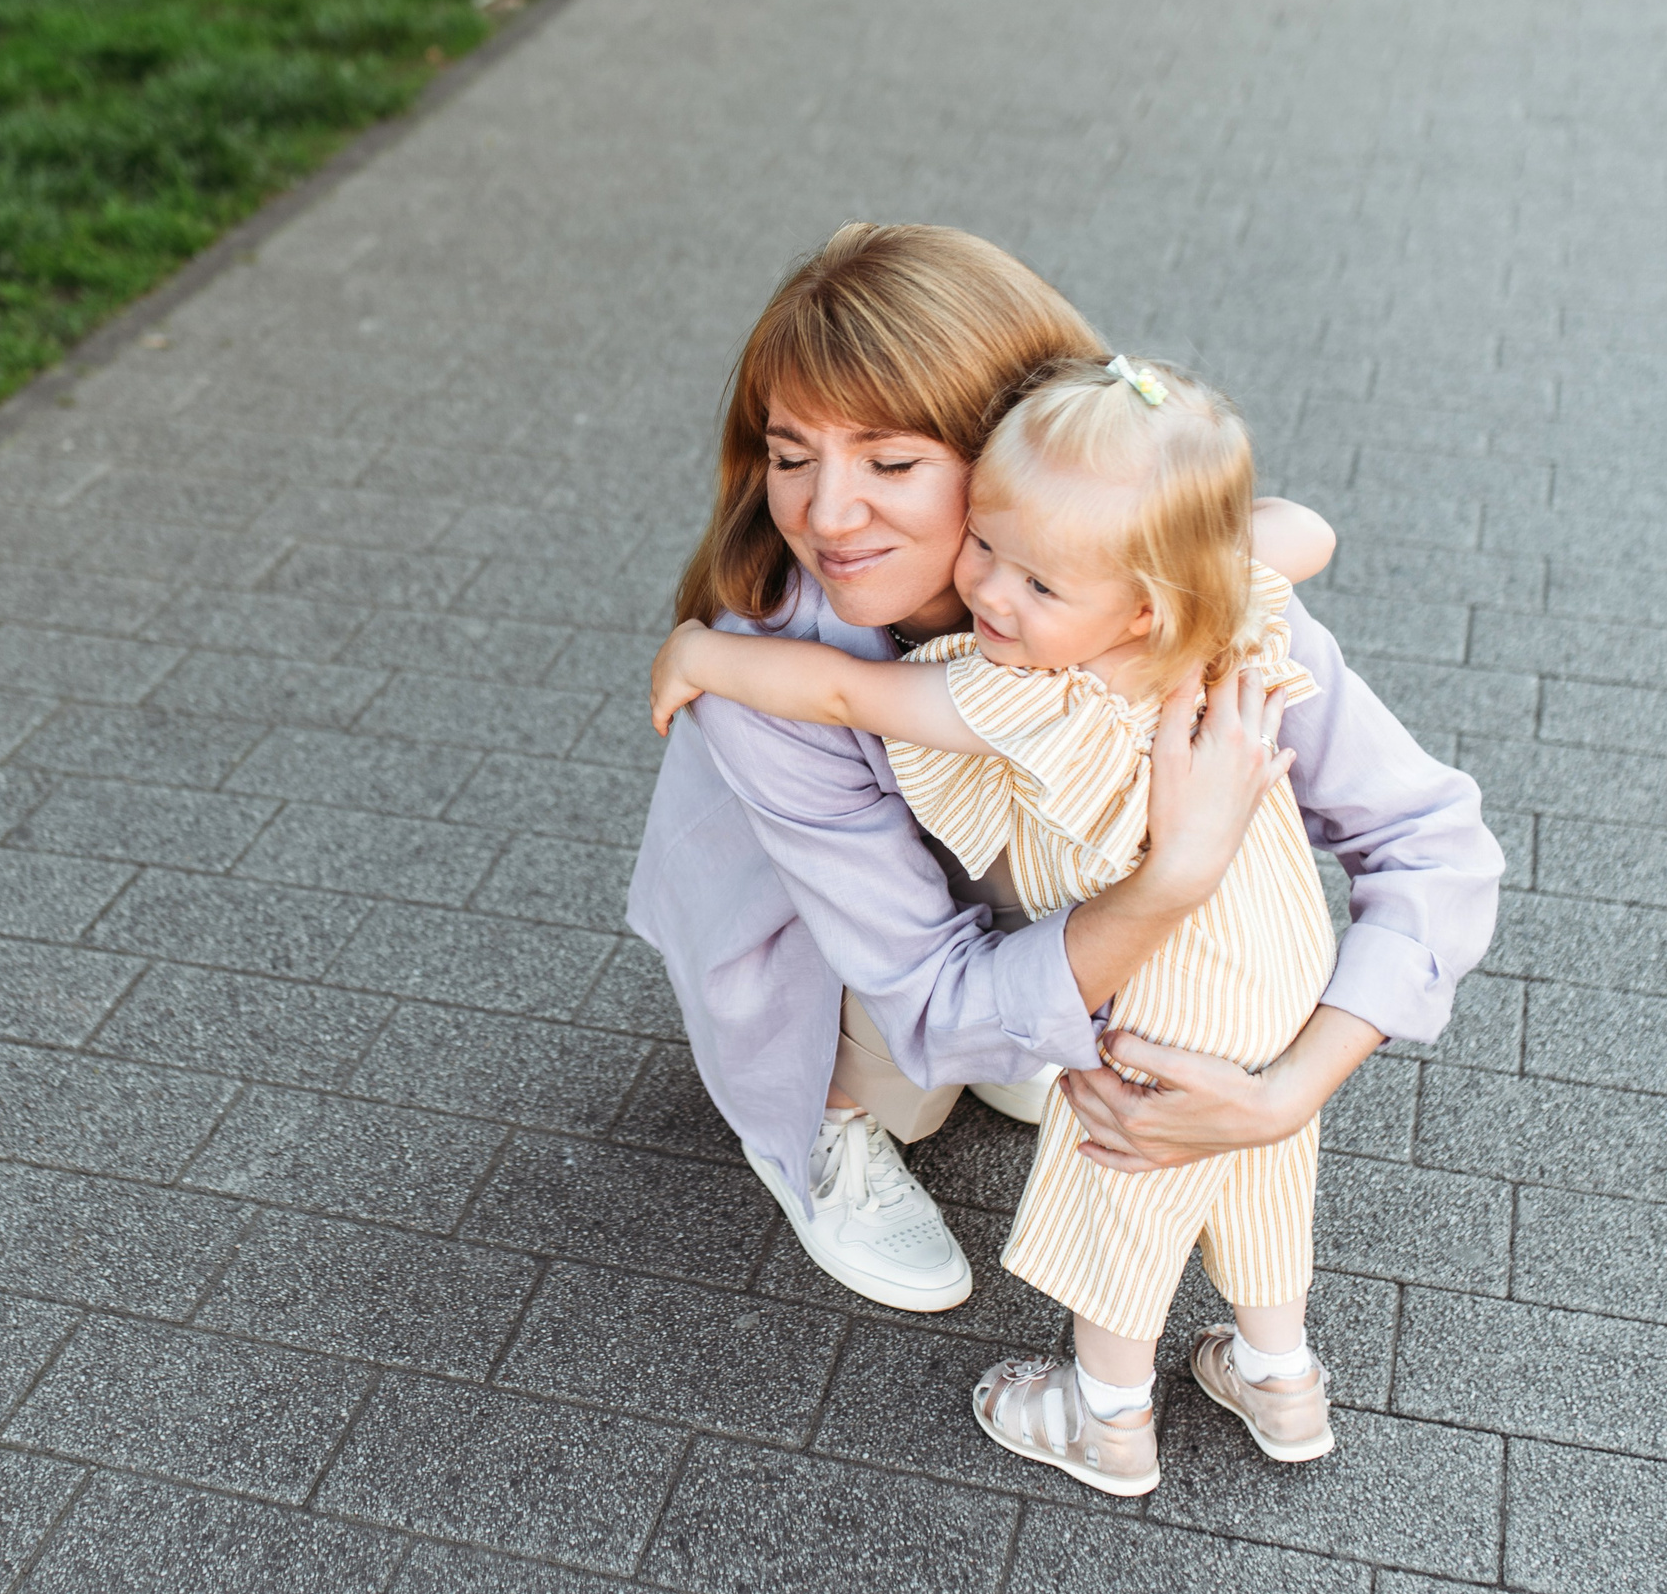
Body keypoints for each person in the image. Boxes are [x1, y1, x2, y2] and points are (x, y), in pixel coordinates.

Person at [627, 223, 1500, 1321]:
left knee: (1092, 992)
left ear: (1015, 452)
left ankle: (1037, 1004)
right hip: (833, 945)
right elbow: (932, 1001)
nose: (823, 513)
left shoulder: (1163, 587)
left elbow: (1430, 841)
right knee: (912, 1091)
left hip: (1021, 902)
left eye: (890, 462)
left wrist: (1284, 1092)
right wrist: (1175, 875)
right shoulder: (768, 676)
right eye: (790, 453)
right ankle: (824, 1118)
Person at [653, 354, 1353, 1495]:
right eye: (987, 544)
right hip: (1277, 948)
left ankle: (1106, 1412)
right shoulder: (1214, 607)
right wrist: (1192, 550)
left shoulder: (1018, 685)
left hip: (1172, 973)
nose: (992, 596)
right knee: (1255, 1151)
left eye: (1040, 582)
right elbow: (1305, 528)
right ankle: (1280, 1377)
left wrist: (703, 651)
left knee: (1119, 1170)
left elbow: (842, 693)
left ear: (1138, 602)